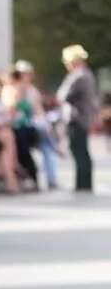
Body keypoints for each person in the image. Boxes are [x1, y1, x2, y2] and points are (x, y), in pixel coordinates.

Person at [57, 44, 98, 193]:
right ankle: (84, 184)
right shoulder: (87, 74)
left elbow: (61, 95)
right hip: (83, 118)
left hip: (76, 119)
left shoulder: (77, 76)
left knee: (79, 152)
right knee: (82, 152)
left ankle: (82, 185)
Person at [3, 63, 39, 190]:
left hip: (18, 125)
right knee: (23, 153)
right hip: (23, 125)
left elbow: (12, 108)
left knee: (22, 153)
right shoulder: (23, 88)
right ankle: (29, 178)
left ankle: (29, 178)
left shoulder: (13, 89)